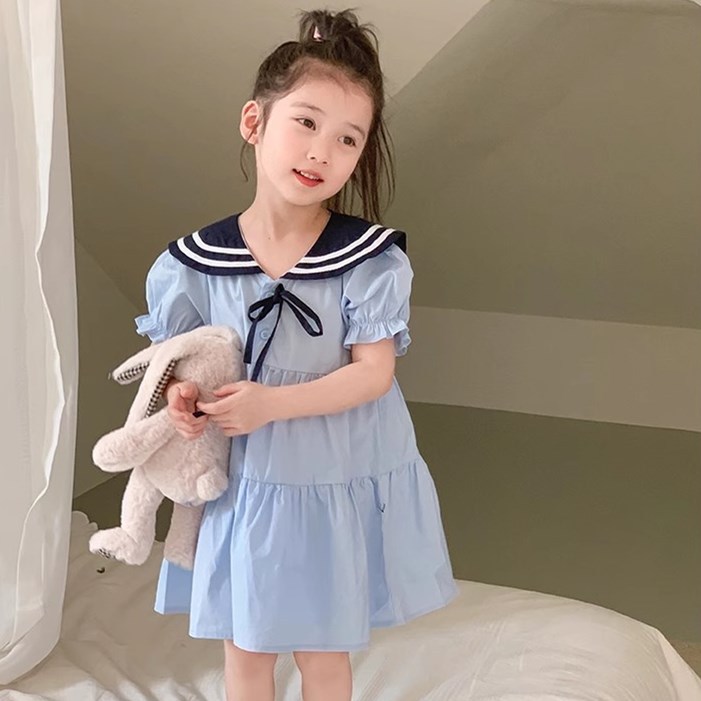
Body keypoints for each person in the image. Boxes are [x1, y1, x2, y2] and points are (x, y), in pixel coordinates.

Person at [134, 9, 457, 701]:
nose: (320, 153)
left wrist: (272, 403)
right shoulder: (193, 264)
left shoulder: (367, 260)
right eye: (305, 122)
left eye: (347, 139)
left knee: (323, 653)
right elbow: (181, 369)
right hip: (247, 486)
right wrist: (183, 402)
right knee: (246, 649)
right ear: (254, 122)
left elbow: (374, 373)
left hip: (332, 471)